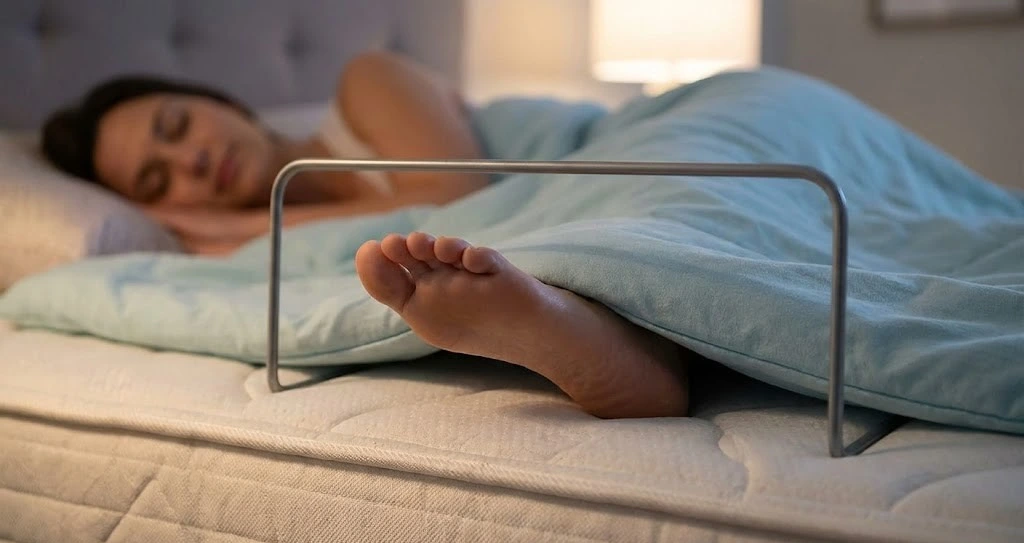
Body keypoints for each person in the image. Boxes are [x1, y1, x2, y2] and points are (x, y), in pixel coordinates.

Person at [42, 51, 690, 420]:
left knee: (671, 202)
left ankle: (611, 335)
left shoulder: (369, 80)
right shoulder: (260, 250)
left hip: (647, 142)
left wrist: (236, 221)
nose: (193, 160)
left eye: (177, 125)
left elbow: (458, 195)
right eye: (157, 181)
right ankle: (606, 341)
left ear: (222, 102)